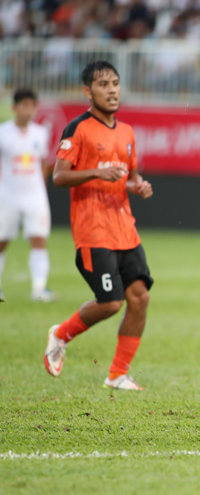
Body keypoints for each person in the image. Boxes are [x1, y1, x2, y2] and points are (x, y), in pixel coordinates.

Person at [43, 61, 154, 390]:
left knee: (140, 298)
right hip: (93, 231)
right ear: (88, 91)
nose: (112, 90)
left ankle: (118, 373)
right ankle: (60, 334)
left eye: (115, 83)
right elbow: (59, 176)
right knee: (110, 302)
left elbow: (130, 176)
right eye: (103, 84)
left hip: (125, 229)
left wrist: (138, 185)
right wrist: (95, 172)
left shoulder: (127, 132)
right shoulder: (77, 129)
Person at [0, 88, 55, 302]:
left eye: (32, 106)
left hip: (34, 196)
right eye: (23, 105)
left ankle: (39, 289)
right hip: (8, 195)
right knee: (2, 242)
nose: (28, 110)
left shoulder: (40, 133)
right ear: (14, 108)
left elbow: (44, 164)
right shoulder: (3, 132)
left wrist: (41, 189)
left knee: (39, 240)